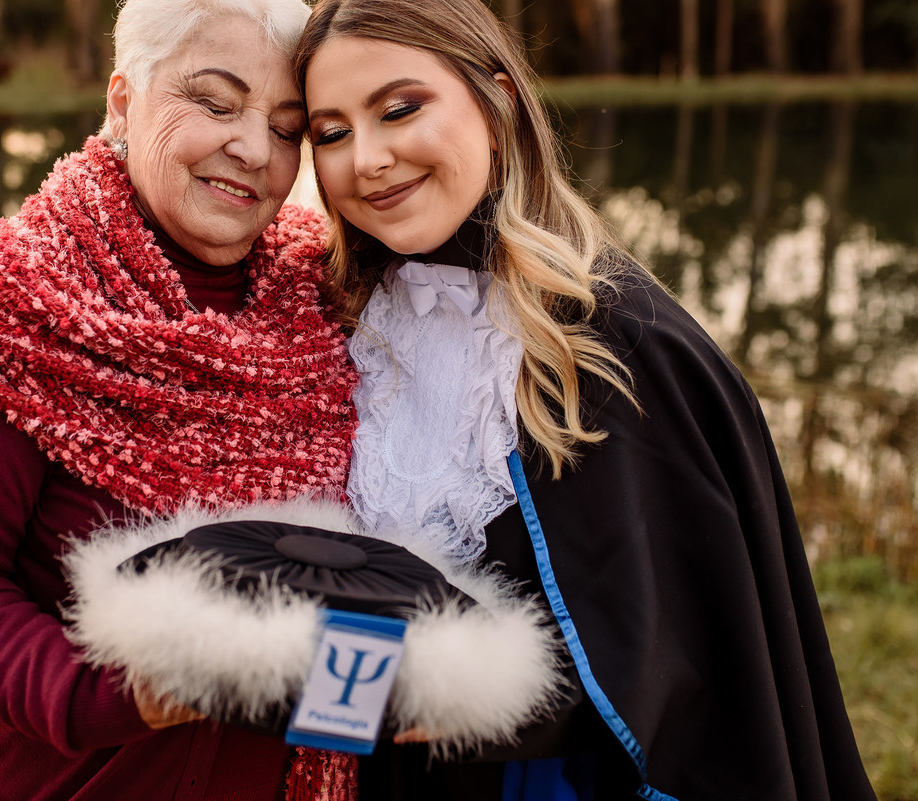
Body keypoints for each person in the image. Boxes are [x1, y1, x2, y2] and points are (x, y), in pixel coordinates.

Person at [292, 0, 878, 799]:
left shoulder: (620, 342)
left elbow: (684, 646)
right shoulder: (341, 322)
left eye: (400, 109)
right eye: (330, 133)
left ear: (497, 104)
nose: (368, 159)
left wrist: (482, 693)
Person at [0, 0, 362, 798]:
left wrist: (377, 693)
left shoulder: (326, 296)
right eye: (215, 102)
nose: (255, 149)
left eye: (287, 127)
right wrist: (100, 693)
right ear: (123, 99)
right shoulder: (9, 305)